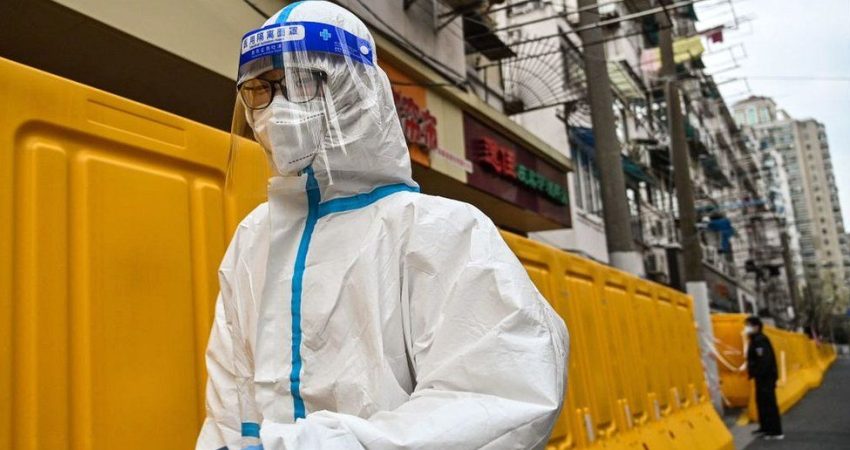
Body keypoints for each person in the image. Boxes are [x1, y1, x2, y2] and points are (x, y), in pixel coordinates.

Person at [196, 2, 569, 449]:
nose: (277, 109)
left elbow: (500, 397)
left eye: (302, 82)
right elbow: (229, 401)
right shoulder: (254, 239)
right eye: (260, 90)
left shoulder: (442, 232)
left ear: (358, 91)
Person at [745, 316, 783, 440]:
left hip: (765, 378)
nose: (746, 328)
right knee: (761, 403)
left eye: (748, 325)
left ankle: (775, 431)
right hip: (761, 378)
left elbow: (764, 361)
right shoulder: (755, 340)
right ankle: (765, 427)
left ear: (756, 327)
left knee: (768, 404)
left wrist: (756, 372)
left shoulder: (760, 341)